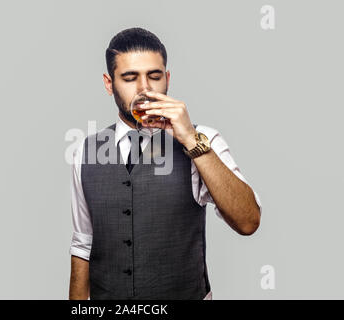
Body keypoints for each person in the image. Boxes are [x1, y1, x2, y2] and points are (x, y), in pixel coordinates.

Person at [69, 27, 262, 300]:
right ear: (109, 83)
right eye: (129, 78)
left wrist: (192, 141)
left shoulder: (203, 140)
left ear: (167, 79)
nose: (144, 89)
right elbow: (82, 245)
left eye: (154, 76)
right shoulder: (86, 151)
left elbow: (248, 221)